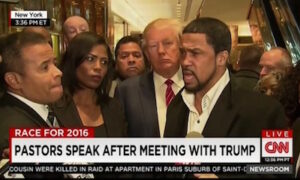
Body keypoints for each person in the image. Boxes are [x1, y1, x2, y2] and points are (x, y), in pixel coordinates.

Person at [164, 17, 286, 142]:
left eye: (195, 53)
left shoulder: (266, 111)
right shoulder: (176, 105)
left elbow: (278, 160)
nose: (185, 62)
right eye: (183, 53)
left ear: (221, 58)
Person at [0, 31, 63, 178]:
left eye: (55, 63)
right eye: (45, 67)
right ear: (14, 80)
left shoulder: (45, 108)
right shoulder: (12, 135)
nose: (58, 72)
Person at [115, 18, 184, 137]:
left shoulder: (199, 86)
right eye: (153, 46)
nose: (161, 51)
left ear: (181, 47)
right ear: (146, 53)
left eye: (168, 43)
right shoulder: (127, 90)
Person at [53, 32, 126, 137]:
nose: (98, 67)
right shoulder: (54, 107)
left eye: (104, 62)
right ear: (74, 61)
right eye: (90, 59)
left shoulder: (114, 107)